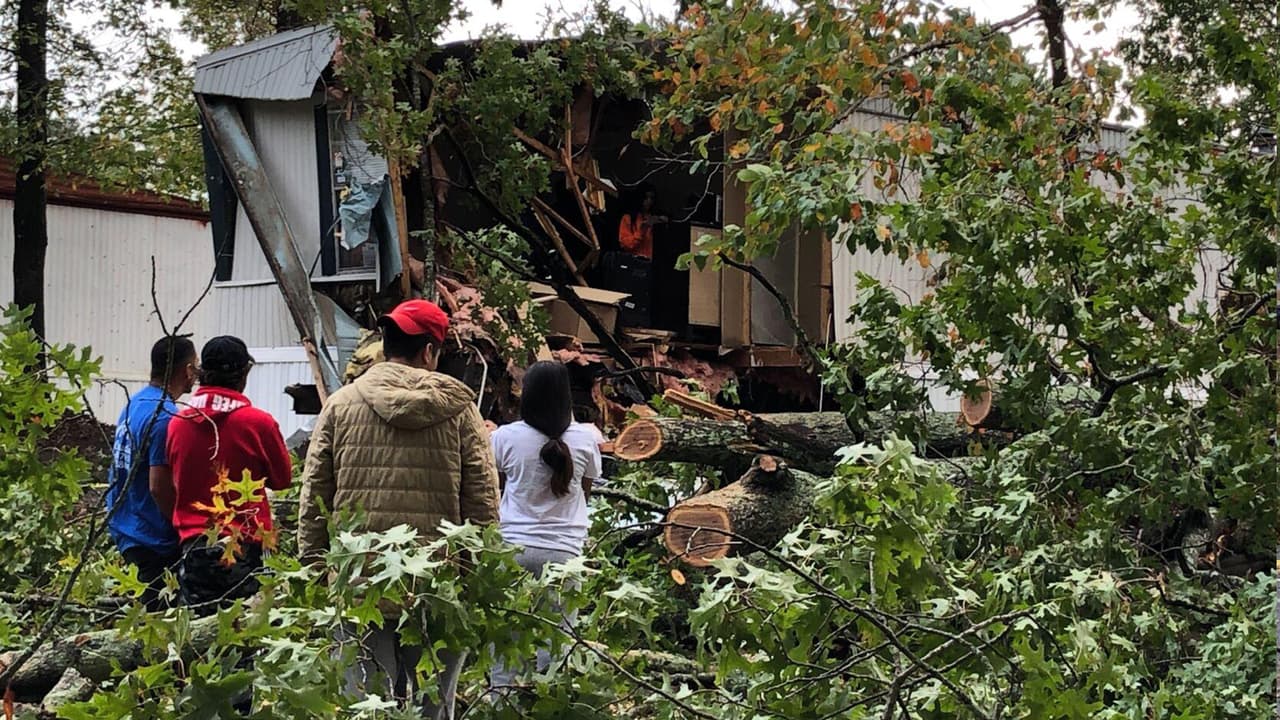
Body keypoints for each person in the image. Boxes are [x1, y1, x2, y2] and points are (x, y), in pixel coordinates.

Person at [297, 299, 500, 720]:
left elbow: (315, 495)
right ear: (430, 351)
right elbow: (482, 502)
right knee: (433, 706)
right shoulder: (461, 412)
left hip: (359, 580)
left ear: (384, 345)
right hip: (436, 584)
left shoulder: (340, 404)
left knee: (367, 704)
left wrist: (315, 568)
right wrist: (479, 574)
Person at [488, 361, 601, 697]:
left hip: (513, 550)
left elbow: (496, 485)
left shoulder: (505, 436)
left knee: (507, 641)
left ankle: (501, 704)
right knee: (557, 641)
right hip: (565, 552)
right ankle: (552, 704)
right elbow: (587, 486)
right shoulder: (585, 438)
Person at [166, 336, 292, 612]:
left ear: (201, 375)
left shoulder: (178, 424)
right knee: (246, 637)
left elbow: (174, 482)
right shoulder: (259, 423)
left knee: (198, 638)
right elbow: (282, 479)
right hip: (245, 545)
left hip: (195, 547)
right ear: (244, 374)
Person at [107, 336, 199, 611]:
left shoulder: (136, 403)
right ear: (187, 369)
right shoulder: (164, 418)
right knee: (160, 624)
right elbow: (159, 487)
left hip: (127, 525)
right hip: (152, 538)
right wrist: (184, 529)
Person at [617, 185, 667, 260]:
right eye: (646, 198)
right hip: (634, 262)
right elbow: (626, 245)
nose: (649, 201)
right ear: (639, 198)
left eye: (651, 198)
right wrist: (641, 231)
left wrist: (664, 223)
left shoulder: (655, 217)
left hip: (652, 262)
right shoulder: (628, 218)